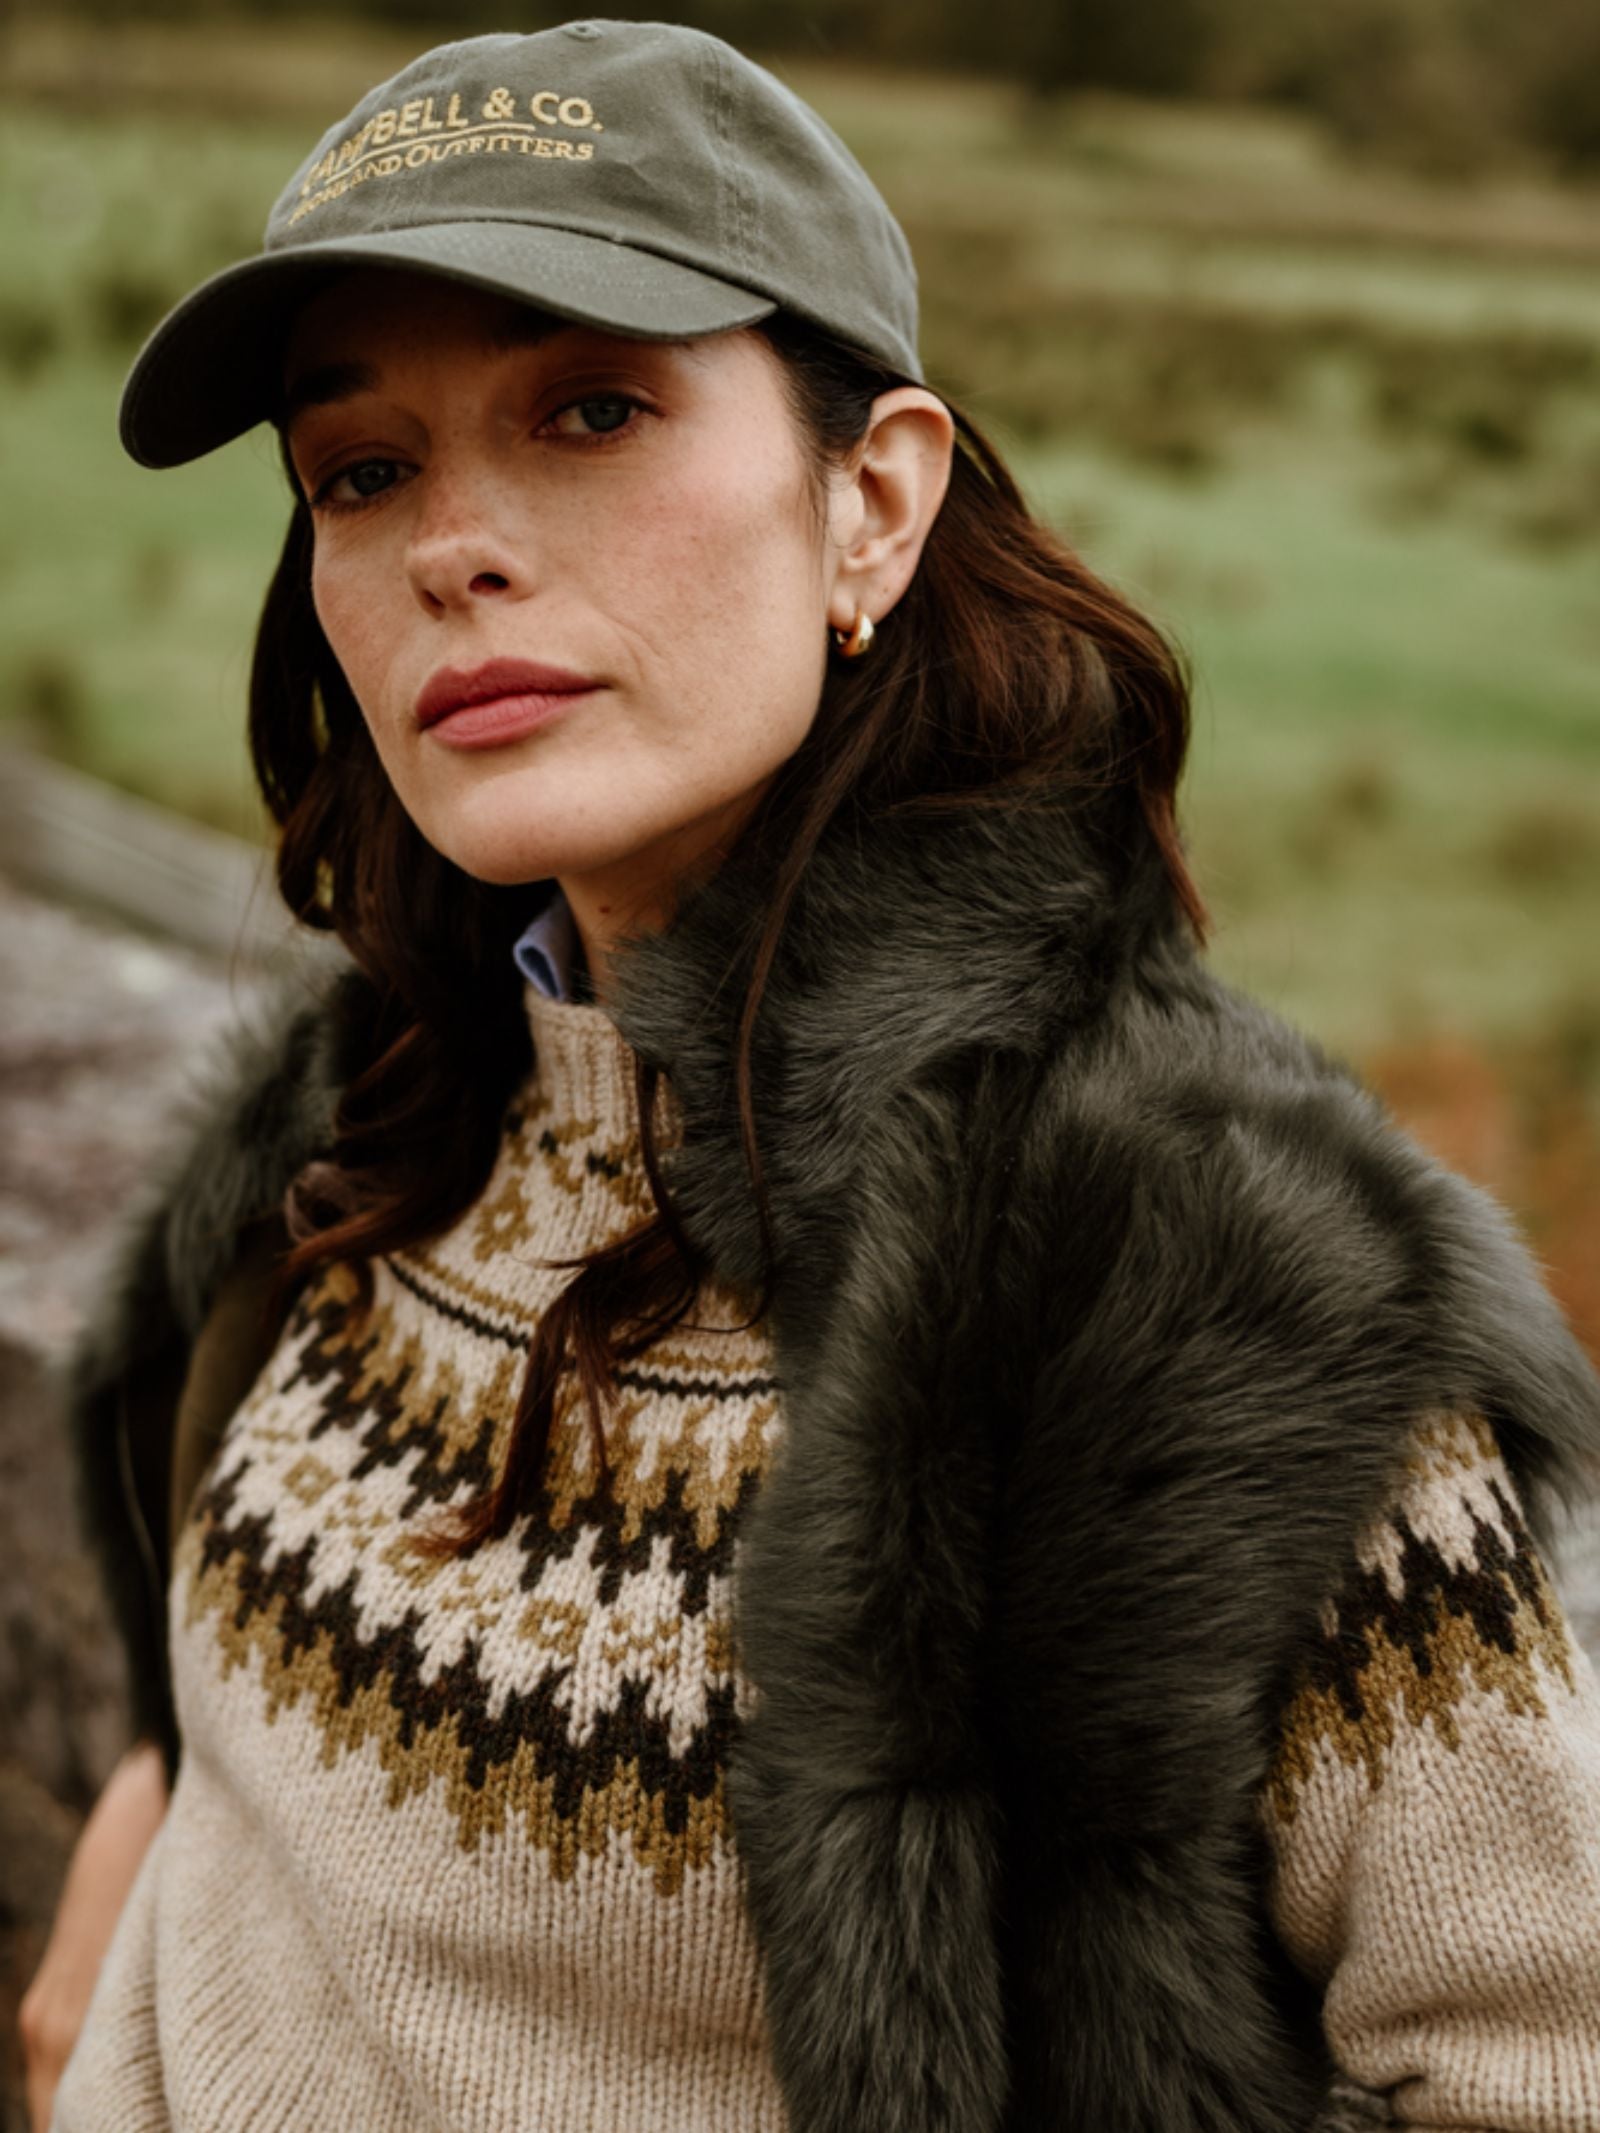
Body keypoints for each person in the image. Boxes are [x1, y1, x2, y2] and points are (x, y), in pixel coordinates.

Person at [24, 19, 1600, 2132]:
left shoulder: (1184, 1281)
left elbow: (1531, 2065)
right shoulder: (345, 1141)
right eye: (360, 468)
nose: (446, 547)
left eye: (588, 407)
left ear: (872, 498)